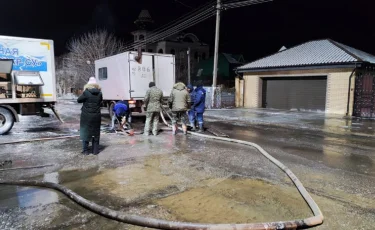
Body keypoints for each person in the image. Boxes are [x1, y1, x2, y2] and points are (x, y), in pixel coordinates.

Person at [77, 77, 103, 155]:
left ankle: (85, 151)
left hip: (86, 116)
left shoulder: (86, 93)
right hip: (96, 116)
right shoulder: (100, 93)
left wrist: (84, 93)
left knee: (85, 132)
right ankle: (95, 151)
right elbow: (100, 103)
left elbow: (78, 100)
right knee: (96, 132)